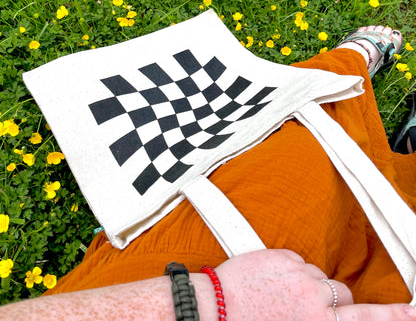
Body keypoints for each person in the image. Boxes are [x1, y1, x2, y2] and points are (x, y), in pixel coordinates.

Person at [1, 25, 416, 321]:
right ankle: (398, 158)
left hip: (173, 282)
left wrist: (193, 303)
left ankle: (348, 64)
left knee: (295, 140)